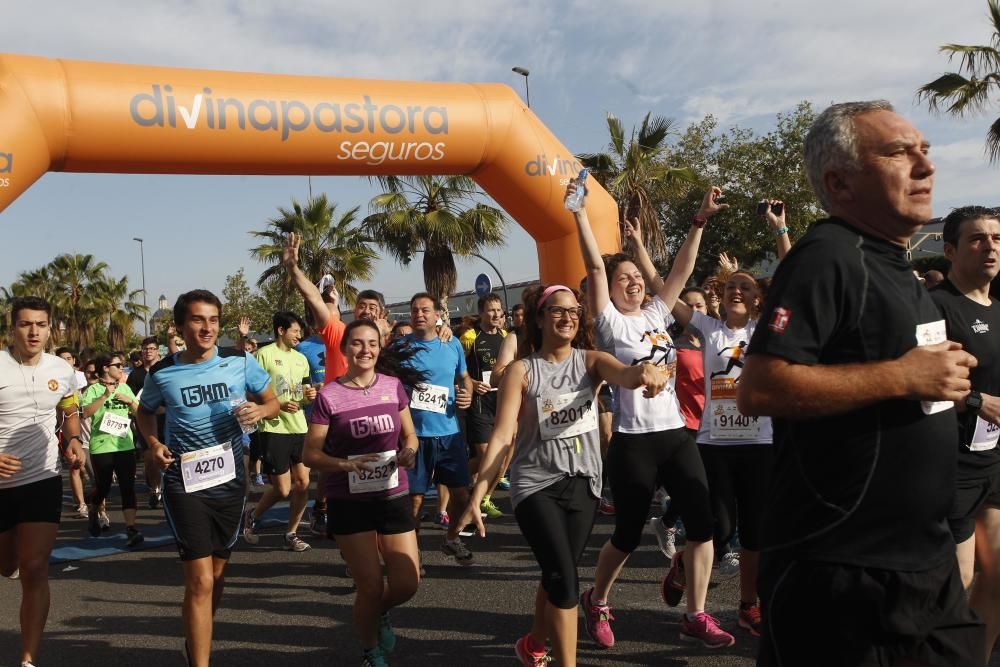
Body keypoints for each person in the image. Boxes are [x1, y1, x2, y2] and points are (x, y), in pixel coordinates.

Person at [737, 100, 984, 665]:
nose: (925, 165)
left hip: (925, 561)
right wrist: (903, 374)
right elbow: (761, 389)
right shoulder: (826, 256)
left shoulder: (896, 262)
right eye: (899, 153)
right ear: (839, 182)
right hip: (843, 571)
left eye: (924, 149)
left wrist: (937, 373)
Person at [456, 285, 665, 666]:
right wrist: (478, 492)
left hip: (583, 482)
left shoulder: (591, 361)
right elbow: (503, 435)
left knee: (558, 571)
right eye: (557, 310)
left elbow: (626, 374)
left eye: (573, 311)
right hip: (535, 484)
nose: (567, 317)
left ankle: (534, 643)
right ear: (539, 318)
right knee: (566, 580)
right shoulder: (522, 370)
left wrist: (645, 371)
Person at [573, 182, 734, 649]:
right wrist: (579, 215)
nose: (634, 282)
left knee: (702, 526)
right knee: (625, 535)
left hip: (675, 435)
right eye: (624, 278)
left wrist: (699, 220)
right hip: (634, 440)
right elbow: (593, 268)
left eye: (637, 278)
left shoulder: (658, 315)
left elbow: (681, 269)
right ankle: (597, 599)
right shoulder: (610, 321)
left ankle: (696, 614)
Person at [630, 198, 791, 637]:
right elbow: (663, 285)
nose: (736, 290)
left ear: (758, 298)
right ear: (720, 296)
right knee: (719, 530)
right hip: (715, 443)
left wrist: (779, 229)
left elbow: (795, 283)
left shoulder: (765, 330)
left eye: (745, 286)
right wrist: (641, 246)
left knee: (756, 532)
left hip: (760, 442)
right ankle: (682, 564)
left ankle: (747, 605)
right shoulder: (707, 327)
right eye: (730, 286)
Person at [136, 290, 278, 667]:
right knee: (199, 581)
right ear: (181, 326)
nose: (207, 327)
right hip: (184, 483)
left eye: (214, 320)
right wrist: (153, 443)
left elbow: (273, 400)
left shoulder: (239, 360)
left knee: (216, 576)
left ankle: (197, 636)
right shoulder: (162, 371)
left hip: (230, 482)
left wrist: (259, 411)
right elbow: (145, 413)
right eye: (198, 320)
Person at [303, 319, 425, 667]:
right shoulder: (330, 396)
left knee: (407, 583)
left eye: (372, 343)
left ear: (380, 347)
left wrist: (410, 451)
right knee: (369, 586)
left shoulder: (392, 386)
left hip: (392, 493)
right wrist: (345, 465)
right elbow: (310, 454)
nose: (366, 350)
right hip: (349, 500)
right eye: (357, 343)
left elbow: (410, 437)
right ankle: (371, 651)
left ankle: (378, 611)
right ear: (345, 349)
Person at [0, 296, 84, 667]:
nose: (34, 331)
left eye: (41, 324)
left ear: (50, 329)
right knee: (6, 565)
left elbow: (69, 410)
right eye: (25, 324)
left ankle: (28, 658)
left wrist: (75, 439)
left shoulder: (61, 369)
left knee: (35, 567)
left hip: (42, 478)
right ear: (12, 328)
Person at [932, 206, 1000, 658]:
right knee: (954, 589)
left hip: (993, 461)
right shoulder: (935, 307)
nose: (991, 246)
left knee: (997, 580)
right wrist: (980, 402)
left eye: (996, 237)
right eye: (977, 238)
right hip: (947, 465)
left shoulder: (998, 309)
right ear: (951, 249)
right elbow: (923, 381)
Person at [403, 292, 476, 564]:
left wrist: (467, 394)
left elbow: (465, 377)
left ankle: (451, 538)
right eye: (414, 310)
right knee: (415, 500)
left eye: (424, 310)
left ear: (437, 315)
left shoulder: (452, 343)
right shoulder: (400, 347)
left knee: (461, 494)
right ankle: (413, 552)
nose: (419, 314)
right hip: (415, 435)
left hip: (449, 433)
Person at [242, 312, 317, 552]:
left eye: (300, 332)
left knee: (303, 483)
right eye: (295, 331)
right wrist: (277, 404)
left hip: (299, 427)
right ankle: (252, 515)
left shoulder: (301, 359)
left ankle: (291, 533)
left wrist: (310, 395)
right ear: (281, 331)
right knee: (283, 489)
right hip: (274, 428)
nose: (299, 335)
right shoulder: (264, 355)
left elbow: (305, 391)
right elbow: (252, 392)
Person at [81, 353, 143, 547]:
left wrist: (130, 401)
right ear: (106, 368)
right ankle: (94, 507)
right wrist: (104, 396)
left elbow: (140, 413)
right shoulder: (93, 389)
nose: (122, 368)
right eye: (118, 365)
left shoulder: (124, 387)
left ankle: (131, 529)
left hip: (124, 444)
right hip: (101, 446)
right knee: (104, 486)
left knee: (127, 486)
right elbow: (85, 413)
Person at [459, 294, 510, 519]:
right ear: (481, 313)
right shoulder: (470, 337)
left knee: (502, 457)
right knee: (485, 456)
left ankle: (484, 498)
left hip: (501, 401)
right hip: (479, 403)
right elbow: (455, 367)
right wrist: (472, 382)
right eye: (491, 310)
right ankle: (455, 483)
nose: (496, 314)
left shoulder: (506, 337)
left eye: (499, 310)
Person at [127, 336, 164, 509]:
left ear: (157, 350)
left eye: (151, 348)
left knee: (170, 456)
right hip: (144, 421)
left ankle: (169, 488)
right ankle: (155, 490)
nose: (148, 352)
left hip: (167, 420)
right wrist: (134, 419)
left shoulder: (166, 369)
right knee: (150, 457)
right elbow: (130, 400)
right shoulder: (135, 375)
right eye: (145, 349)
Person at [55, 347, 89, 518]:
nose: (65, 361)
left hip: (87, 429)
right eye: (61, 359)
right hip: (67, 430)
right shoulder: (53, 379)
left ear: (74, 361)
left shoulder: (83, 378)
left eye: (68, 358)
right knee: (74, 467)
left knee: (83, 467)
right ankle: (81, 504)